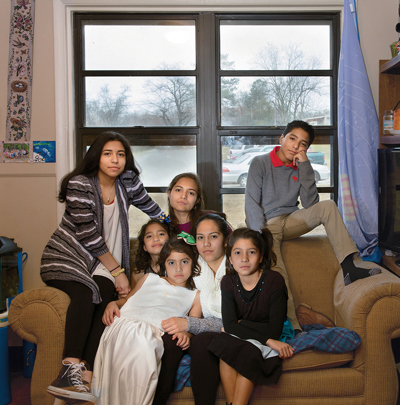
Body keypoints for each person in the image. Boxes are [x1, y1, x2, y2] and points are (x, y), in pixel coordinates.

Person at [41, 131, 167, 403]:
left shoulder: (127, 181)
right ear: (96, 156)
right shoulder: (80, 183)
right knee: (88, 293)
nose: (115, 160)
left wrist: (180, 226)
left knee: (106, 297)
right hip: (68, 257)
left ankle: (84, 377)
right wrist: (118, 272)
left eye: (121, 154)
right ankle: (69, 368)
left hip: (101, 264)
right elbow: (88, 235)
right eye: (108, 153)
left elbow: (150, 207)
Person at [245, 120, 381, 331]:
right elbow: (251, 203)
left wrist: (305, 166)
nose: (296, 146)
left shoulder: (302, 167)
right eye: (292, 139)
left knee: (328, 206)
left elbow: (311, 204)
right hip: (268, 226)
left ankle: (349, 268)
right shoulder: (260, 163)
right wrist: (259, 235)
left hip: (292, 219)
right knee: (278, 273)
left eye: (303, 144)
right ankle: (293, 325)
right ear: (282, 139)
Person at [91, 238, 202, 405]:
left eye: (184, 262)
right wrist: (113, 303)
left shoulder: (194, 295)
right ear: (164, 265)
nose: (178, 269)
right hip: (125, 322)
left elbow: (193, 323)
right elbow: (127, 300)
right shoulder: (149, 278)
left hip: (151, 332)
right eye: (172, 263)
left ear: (193, 263)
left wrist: (186, 334)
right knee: (133, 346)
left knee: (146, 348)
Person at [208, 227, 294, 405]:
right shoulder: (228, 282)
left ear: (261, 257)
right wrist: (267, 339)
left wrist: (242, 324)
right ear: (230, 259)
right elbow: (230, 326)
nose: (244, 259)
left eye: (251, 252)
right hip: (249, 337)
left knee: (248, 351)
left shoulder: (274, 280)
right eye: (238, 253)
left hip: (268, 335)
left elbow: (274, 330)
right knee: (224, 345)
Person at [153, 213, 231, 405]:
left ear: (225, 239)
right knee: (171, 340)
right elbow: (171, 288)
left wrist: (189, 324)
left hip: (227, 330)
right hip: (196, 327)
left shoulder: (236, 264)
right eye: (200, 237)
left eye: (213, 236)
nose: (206, 244)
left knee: (202, 342)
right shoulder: (192, 264)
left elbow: (233, 322)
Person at [130, 219, 170, 288]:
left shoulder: (178, 267)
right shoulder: (139, 273)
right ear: (144, 247)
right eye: (149, 236)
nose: (156, 239)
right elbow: (132, 297)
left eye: (161, 234)